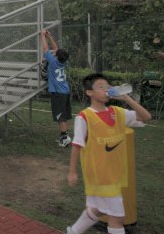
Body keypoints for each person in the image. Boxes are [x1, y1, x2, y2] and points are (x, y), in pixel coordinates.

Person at [66, 73, 151, 234]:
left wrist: (127, 98)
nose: (106, 89)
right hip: (100, 176)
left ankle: (73, 231)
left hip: (115, 174)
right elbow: (76, 145)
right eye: (100, 86)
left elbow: (146, 117)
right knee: (117, 219)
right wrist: (72, 172)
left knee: (98, 209)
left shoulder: (117, 112)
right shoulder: (84, 117)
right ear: (89, 92)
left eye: (107, 86)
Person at [41, 29, 72, 147]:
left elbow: (46, 49)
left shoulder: (53, 62)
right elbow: (56, 49)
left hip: (58, 94)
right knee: (63, 116)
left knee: (61, 117)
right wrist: (50, 36)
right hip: (65, 91)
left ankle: (65, 138)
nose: (54, 52)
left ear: (56, 56)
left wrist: (42, 36)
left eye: (56, 53)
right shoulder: (61, 61)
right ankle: (65, 137)